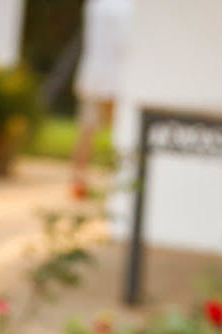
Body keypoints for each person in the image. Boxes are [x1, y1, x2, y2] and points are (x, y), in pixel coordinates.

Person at [70, 0, 132, 197]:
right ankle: (118, 181)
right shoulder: (127, 6)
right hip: (116, 75)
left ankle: (78, 179)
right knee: (122, 132)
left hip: (94, 73)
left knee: (86, 131)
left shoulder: (97, 5)